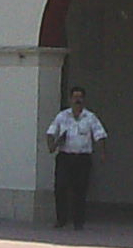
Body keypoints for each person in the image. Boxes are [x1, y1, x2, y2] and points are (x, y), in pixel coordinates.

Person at [45, 85, 105, 231]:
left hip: (82, 158)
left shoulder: (90, 118)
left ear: (83, 100)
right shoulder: (62, 116)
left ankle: (79, 222)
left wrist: (102, 153)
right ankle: (61, 220)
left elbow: (100, 135)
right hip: (65, 157)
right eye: (75, 97)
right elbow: (50, 132)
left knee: (80, 190)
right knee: (60, 187)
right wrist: (53, 144)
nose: (77, 100)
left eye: (80, 97)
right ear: (70, 99)